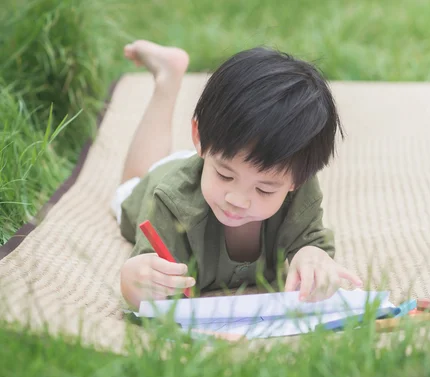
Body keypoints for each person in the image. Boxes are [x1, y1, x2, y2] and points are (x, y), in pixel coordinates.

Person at [112, 40, 362, 310]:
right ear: (199, 137)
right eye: (225, 176)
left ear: (297, 181)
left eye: (264, 190)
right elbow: (146, 285)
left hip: (210, 163)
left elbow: (311, 240)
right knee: (132, 182)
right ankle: (167, 80)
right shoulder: (169, 201)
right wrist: (134, 283)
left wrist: (312, 256)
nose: (238, 200)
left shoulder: (298, 187)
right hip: (164, 180)